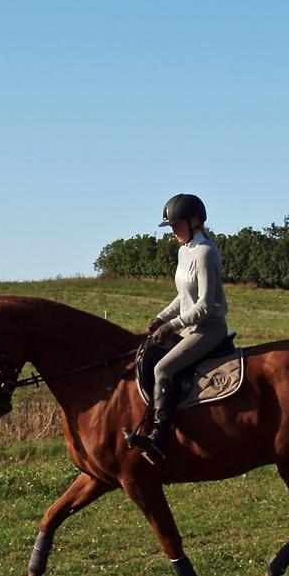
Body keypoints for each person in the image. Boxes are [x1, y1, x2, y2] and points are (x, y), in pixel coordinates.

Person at [129, 193, 229, 464]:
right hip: (187, 328)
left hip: (208, 329)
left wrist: (173, 324)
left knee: (163, 369)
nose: (173, 231)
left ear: (195, 220)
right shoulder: (184, 252)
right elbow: (183, 297)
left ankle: (158, 440)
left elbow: (205, 305)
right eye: (171, 227)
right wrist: (162, 317)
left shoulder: (205, 252)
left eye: (177, 225)